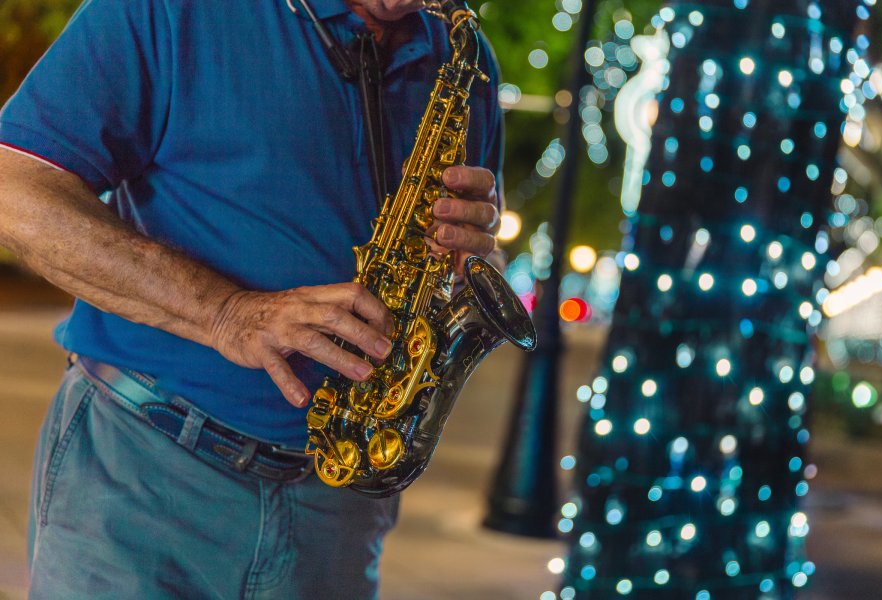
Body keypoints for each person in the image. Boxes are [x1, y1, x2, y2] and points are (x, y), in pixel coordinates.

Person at [0, 0, 504, 597]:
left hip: (338, 501)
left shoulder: (462, 57)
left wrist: (469, 254)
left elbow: (472, 256)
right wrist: (225, 313)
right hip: (142, 478)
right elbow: (16, 190)